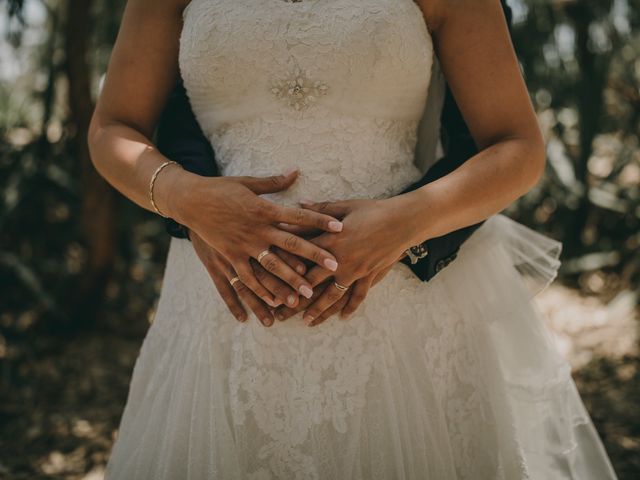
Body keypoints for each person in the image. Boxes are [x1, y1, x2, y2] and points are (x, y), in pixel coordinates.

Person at [88, 0, 618, 478]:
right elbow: (113, 127)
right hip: (222, 301)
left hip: (397, 298)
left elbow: (516, 146)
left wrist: (408, 222)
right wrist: (186, 199)